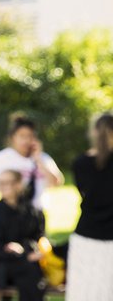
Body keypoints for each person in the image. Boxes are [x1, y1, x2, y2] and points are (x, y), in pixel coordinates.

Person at [0, 170, 46, 301]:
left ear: (19, 184)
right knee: (28, 273)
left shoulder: (33, 212)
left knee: (31, 274)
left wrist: (25, 251)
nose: (3, 186)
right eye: (0, 183)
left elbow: (40, 239)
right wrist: (20, 253)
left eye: (7, 183)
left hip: (26, 262)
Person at [66, 112, 113, 300]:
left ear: (94, 132)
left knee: (83, 293)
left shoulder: (80, 163)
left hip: (85, 236)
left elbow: (84, 193)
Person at [0, 116, 65, 214]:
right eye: (22, 136)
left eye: (30, 136)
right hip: (11, 213)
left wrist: (39, 160)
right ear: (13, 137)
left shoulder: (43, 158)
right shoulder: (1, 158)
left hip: (37, 214)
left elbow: (56, 182)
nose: (26, 140)